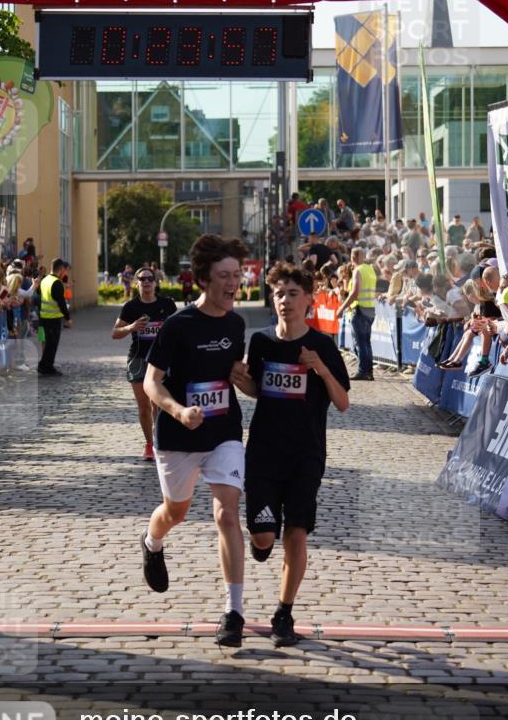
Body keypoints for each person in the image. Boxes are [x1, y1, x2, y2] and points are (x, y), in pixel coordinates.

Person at [231, 263, 349, 646]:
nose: (285, 301)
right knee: (265, 537)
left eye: (293, 294)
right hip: (265, 451)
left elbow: (343, 402)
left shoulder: (323, 345)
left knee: (296, 533)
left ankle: (284, 612)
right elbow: (259, 390)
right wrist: (242, 380)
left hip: (306, 453)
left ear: (310, 300)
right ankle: (261, 540)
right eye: (279, 293)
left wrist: (321, 371)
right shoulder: (261, 342)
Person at [140, 235, 248, 648]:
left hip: (223, 431)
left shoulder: (237, 324)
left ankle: (233, 612)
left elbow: (238, 379)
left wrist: (249, 381)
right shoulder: (177, 325)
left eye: (237, 275)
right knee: (176, 511)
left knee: (226, 514)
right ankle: (152, 542)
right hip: (178, 436)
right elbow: (152, 382)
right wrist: (179, 411)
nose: (233, 283)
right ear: (204, 280)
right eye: (224, 276)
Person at [112, 266, 177, 460]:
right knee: (144, 406)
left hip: (161, 360)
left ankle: (160, 440)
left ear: (156, 282)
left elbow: (179, 331)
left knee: (158, 403)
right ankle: (149, 444)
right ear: (137, 282)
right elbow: (115, 333)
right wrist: (132, 327)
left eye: (150, 278)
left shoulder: (167, 305)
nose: (146, 282)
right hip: (139, 359)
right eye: (142, 279)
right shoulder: (131, 307)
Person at [336, 247, 377, 380]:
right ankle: (369, 372)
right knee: (366, 343)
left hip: (359, 309)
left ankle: (363, 371)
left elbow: (355, 293)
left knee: (361, 343)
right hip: (370, 309)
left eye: (353, 256)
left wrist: (341, 308)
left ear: (353, 257)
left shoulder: (358, 270)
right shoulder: (370, 269)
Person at [38, 258, 71, 376]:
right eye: (65, 270)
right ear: (61, 269)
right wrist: (68, 318)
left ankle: (45, 366)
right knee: (52, 344)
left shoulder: (45, 280)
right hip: (53, 318)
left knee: (48, 343)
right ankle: (46, 367)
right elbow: (61, 302)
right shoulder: (57, 283)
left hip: (43, 317)